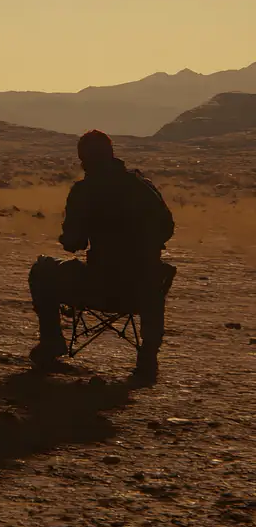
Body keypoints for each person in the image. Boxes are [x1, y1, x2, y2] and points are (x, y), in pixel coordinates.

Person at [28, 130, 175, 382]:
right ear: (111, 154)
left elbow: (73, 243)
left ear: (84, 159)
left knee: (42, 269)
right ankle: (148, 357)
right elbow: (167, 229)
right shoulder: (144, 186)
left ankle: (51, 342)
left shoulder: (85, 191)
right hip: (142, 290)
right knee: (151, 274)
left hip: (101, 287)